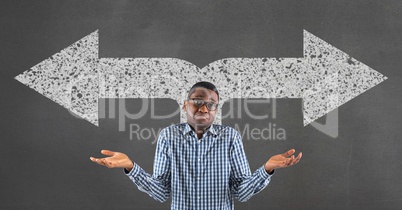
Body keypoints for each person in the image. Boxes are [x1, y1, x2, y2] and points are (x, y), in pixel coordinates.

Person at [90, 81, 302, 210]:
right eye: (197, 101)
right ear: (185, 104)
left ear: (216, 110)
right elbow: (162, 192)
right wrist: (130, 167)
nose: (204, 108)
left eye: (211, 104)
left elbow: (242, 192)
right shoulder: (168, 136)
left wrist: (267, 169)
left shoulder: (230, 137)